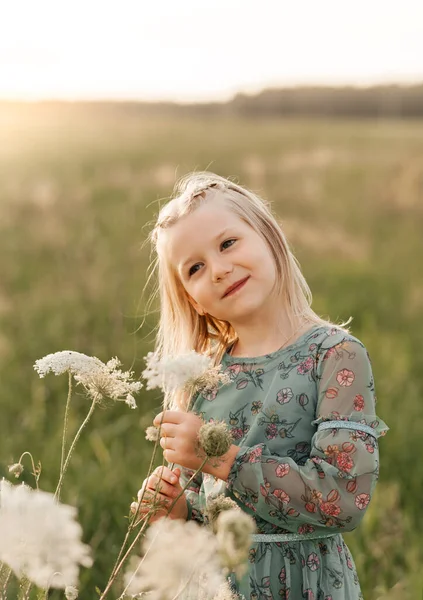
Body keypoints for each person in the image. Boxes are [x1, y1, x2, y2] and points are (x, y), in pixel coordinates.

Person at [135, 172, 388, 599]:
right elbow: (202, 512)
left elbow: (344, 497)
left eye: (228, 243)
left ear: (269, 236)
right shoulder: (203, 374)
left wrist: (225, 460)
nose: (218, 269)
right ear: (192, 298)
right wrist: (173, 507)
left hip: (303, 584)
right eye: (195, 268)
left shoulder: (333, 355)